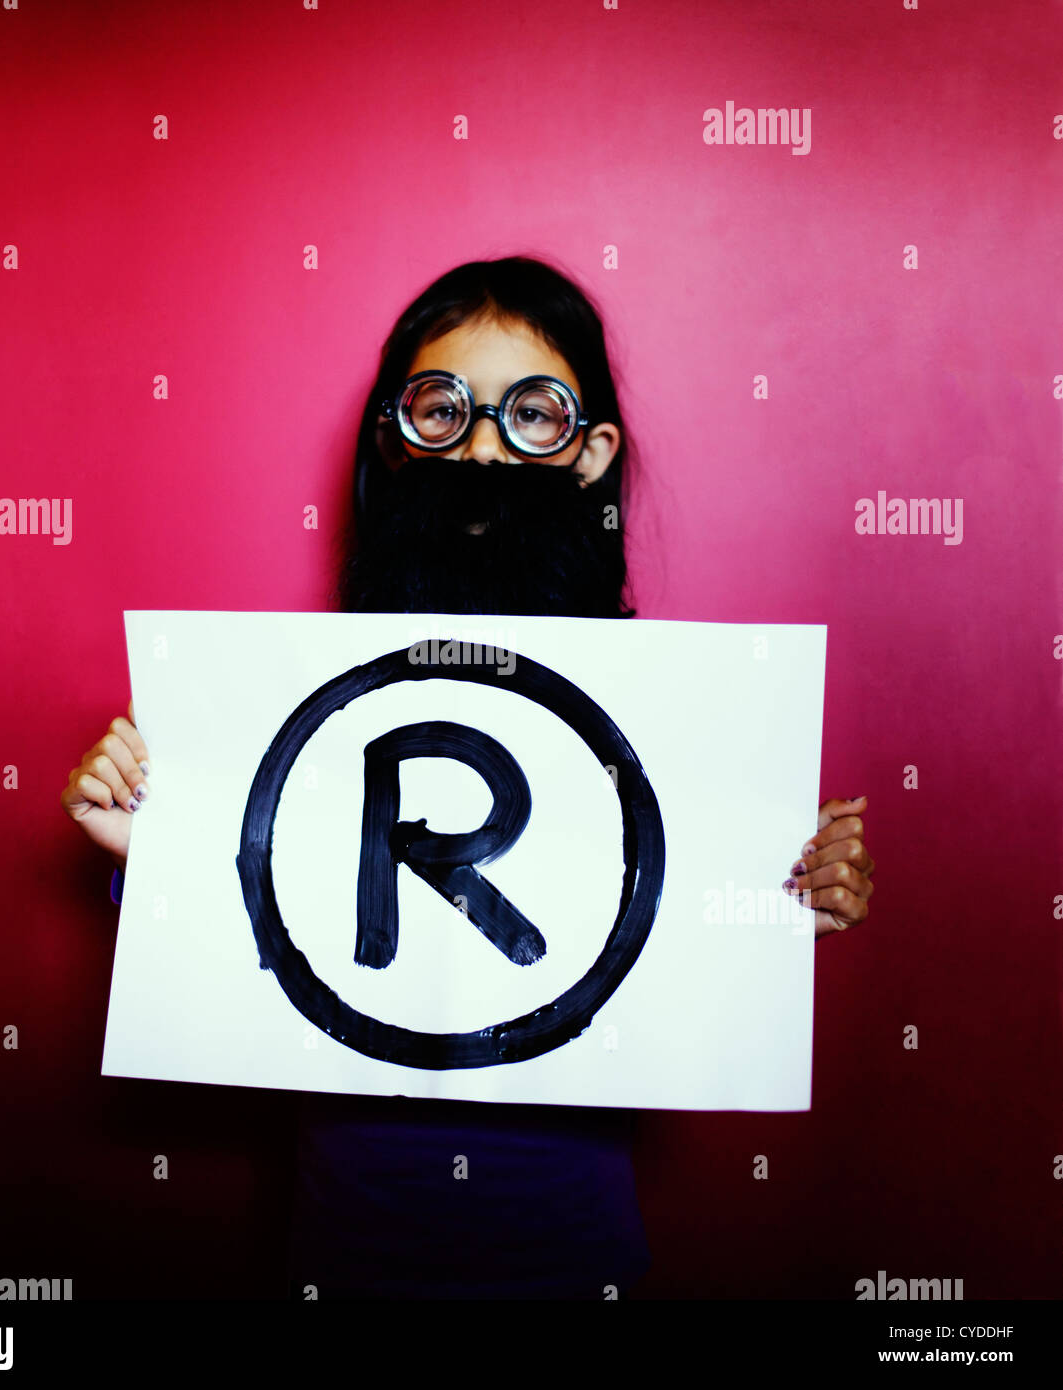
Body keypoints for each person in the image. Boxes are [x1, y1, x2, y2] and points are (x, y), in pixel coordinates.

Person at [61, 256, 875, 1299]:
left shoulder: (674, 724)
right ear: (397, 443)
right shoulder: (288, 706)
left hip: (577, 1257)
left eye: (531, 413)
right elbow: (241, 920)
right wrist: (145, 838)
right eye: (444, 409)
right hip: (344, 1251)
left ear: (589, 455)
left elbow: (681, 950)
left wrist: (780, 904)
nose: (484, 449)